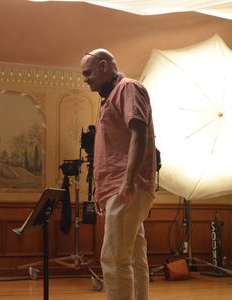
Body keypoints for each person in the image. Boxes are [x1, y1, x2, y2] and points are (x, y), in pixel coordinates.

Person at [80, 49, 156, 300]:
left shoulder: (128, 88)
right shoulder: (113, 95)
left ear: (103, 66)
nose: (85, 79)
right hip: (120, 188)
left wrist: (127, 181)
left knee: (113, 258)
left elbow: (139, 133)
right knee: (133, 257)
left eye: (88, 73)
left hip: (124, 187)